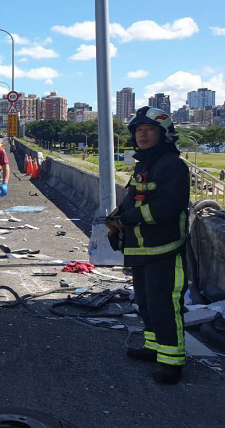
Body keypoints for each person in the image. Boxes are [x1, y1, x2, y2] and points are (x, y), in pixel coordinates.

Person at [107, 106, 190, 385]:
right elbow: (135, 198)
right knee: (145, 303)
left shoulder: (172, 165)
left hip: (163, 250)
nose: (142, 134)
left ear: (163, 134)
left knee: (165, 305)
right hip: (142, 251)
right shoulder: (144, 163)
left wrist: (130, 218)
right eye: (138, 130)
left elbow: (168, 206)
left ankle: (172, 362)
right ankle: (154, 347)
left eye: (150, 129)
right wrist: (117, 221)